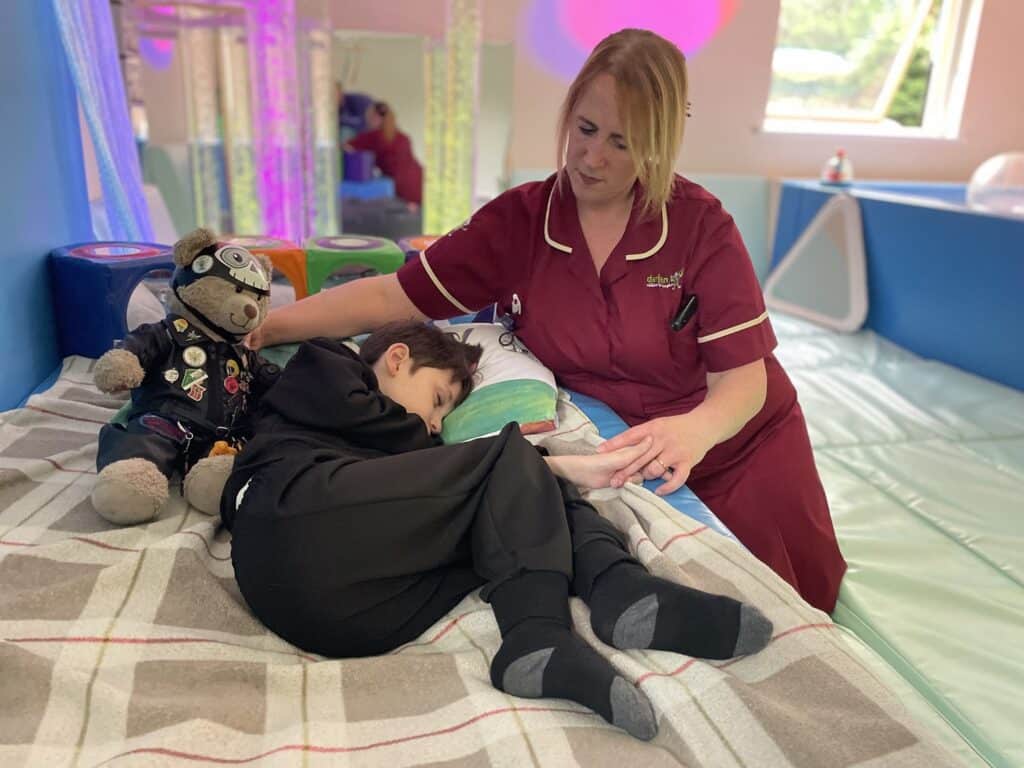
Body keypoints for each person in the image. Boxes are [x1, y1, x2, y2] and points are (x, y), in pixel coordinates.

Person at [248, 29, 847, 614]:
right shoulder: (521, 222)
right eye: (585, 129)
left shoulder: (700, 229)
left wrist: (692, 432)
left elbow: (744, 383)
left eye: (622, 141)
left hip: (742, 445)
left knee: (791, 611)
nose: (592, 157)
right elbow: (394, 297)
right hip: (622, 448)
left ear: (658, 145)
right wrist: (270, 326)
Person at [223, 321, 773, 741]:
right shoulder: (326, 366)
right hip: (291, 521)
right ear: (395, 359)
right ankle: (556, 620)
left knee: (519, 491)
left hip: (354, 616)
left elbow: (479, 477)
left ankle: (615, 595)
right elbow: (452, 455)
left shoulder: (402, 478)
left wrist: (544, 470)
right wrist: (526, 460)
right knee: (513, 457)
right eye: (439, 399)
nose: (434, 425)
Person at [345, 102, 424, 206]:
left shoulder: (372, 137)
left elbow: (347, 147)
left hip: (402, 189)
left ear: (375, 118)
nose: (366, 122)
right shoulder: (402, 137)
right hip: (421, 180)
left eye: (368, 118)